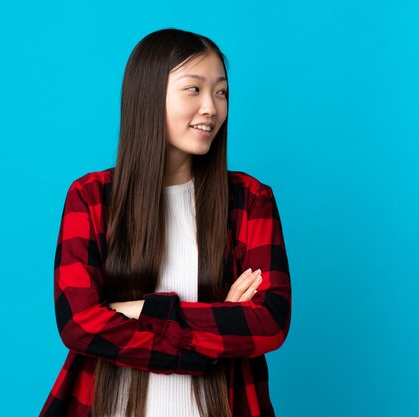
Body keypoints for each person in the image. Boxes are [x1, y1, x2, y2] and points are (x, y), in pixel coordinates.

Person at [39, 28, 292, 417]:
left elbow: (269, 322)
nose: (211, 107)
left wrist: (136, 310)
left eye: (221, 92)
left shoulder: (250, 200)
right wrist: (213, 330)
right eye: (194, 89)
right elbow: (79, 323)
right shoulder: (91, 197)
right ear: (148, 95)